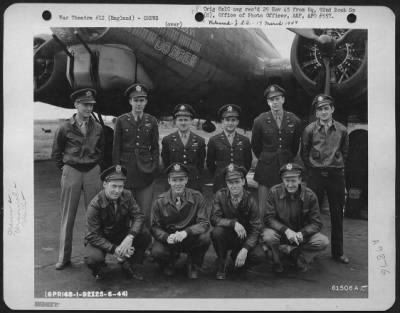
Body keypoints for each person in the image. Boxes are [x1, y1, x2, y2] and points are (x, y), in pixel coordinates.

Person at [51, 88, 105, 270]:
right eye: (85, 105)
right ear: (76, 105)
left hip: (92, 171)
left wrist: (96, 168)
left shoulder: (97, 128)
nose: (89, 108)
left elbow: (101, 150)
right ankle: (64, 258)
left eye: (91, 105)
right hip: (72, 170)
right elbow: (56, 153)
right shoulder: (65, 127)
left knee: (95, 216)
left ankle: (94, 254)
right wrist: (66, 169)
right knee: (68, 216)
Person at [301, 94, 350, 264]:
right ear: (316, 112)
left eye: (326, 108)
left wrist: (335, 166)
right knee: (311, 213)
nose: (323, 112)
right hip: (316, 174)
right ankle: (310, 251)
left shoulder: (342, 130)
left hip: (335, 175)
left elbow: (344, 152)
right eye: (320, 109)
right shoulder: (309, 130)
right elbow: (304, 153)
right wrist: (313, 168)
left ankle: (338, 252)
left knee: (337, 214)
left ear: (332, 109)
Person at [84, 165, 151, 281]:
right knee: (92, 259)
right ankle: (99, 270)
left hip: (120, 233)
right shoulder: (95, 204)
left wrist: (130, 237)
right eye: (113, 186)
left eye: (120, 187)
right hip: (101, 237)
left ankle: (128, 264)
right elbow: (93, 235)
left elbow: (138, 217)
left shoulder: (127, 195)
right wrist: (115, 249)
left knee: (144, 234)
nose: (117, 190)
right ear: (105, 184)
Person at [261, 163, 329, 273]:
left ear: (300, 180)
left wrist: (302, 233)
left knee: (322, 241)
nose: (290, 184)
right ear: (282, 180)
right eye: (287, 181)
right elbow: (269, 218)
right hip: (281, 233)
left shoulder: (310, 195)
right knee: (268, 236)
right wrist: (286, 231)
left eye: (293, 181)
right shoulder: (274, 192)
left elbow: (317, 223)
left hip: (300, 236)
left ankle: (299, 256)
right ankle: (276, 260)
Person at [151, 162, 210, 279]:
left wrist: (186, 232)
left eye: (181, 180)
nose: (178, 184)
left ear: (186, 180)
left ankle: (193, 263)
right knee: (157, 252)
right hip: (170, 239)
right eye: (174, 180)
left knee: (205, 238)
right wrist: (166, 237)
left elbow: (204, 223)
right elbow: (154, 226)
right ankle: (169, 263)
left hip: (189, 237)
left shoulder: (197, 197)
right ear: (169, 181)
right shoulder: (160, 201)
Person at [251, 84, 302, 218]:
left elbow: (295, 146)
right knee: (263, 208)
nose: (275, 102)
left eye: (277, 98)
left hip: (285, 167)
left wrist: (287, 158)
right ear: (268, 102)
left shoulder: (294, 120)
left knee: (285, 205)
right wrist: (266, 158)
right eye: (271, 100)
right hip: (265, 169)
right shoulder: (259, 121)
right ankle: (262, 233)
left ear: (283, 100)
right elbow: (255, 146)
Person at [112, 83, 159, 228]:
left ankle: (143, 245)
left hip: (146, 171)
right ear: (130, 102)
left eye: (142, 100)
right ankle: (126, 245)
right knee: (125, 212)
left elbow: (155, 147)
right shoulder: (121, 120)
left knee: (144, 212)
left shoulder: (151, 121)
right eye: (136, 100)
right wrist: (117, 170)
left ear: (146, 102)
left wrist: (154, 167)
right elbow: (116, 147)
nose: (139, 104)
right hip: (127, 171)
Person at [210, 164, 265, 280]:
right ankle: (221, 261)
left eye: (237, 182)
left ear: (243, 181)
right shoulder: (220, 195)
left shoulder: (250, 200)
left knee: (259, 256)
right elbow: (214, 218)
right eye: (230, 182)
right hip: (228, 235)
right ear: (226, 183)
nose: (234, 185)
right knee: (217, 232)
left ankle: (237, 263)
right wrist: (233, 223)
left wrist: (245, 249)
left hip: (244, 238)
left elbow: (256, 228)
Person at [206, 104, 252, 192]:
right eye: (227, 120)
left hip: (239, 180)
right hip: (220, 181)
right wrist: (218, 175)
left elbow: (248, 162)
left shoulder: (245, 140)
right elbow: (210, 164)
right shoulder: (214, 140)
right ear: (222, 121)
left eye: (233, 120)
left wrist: (240, 174)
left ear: (238, 122)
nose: (230, 123)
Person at [161, 104, 206, 191]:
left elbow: (200, 165)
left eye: (186, 120)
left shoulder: (200, 141)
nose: (183, 123)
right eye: (180, 120)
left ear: (191, 121)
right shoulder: (167, 140)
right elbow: (166, 163)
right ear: (176, 122)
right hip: (174, 181)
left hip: (193, 182)